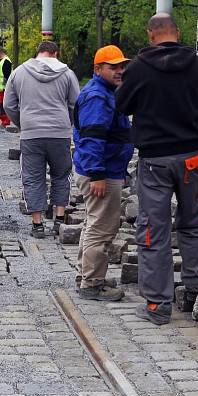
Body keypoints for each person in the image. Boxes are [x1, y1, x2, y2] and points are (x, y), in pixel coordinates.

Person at [116, 12, 198, 325]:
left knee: (153, 228)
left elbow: (122, 106)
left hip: (155, 159)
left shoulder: (138, 68)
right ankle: (196, 287)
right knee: (193, 220)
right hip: (190, 156)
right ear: (177, 32)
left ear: (150, 34)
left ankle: (158, 304)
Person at [73, 45, 133, 302]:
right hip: (101, 172)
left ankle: (87, 275)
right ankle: (92, 283)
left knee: (92, 226)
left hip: (103, 169)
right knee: (101, 229)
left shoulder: (105, 93)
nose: (120, 71)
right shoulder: (98, 97)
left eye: (122, 66)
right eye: (113, 67)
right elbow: (93, 138)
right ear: (98, 69)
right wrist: (97, 174)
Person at [3, 40, 80, 239]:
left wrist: (23, 123)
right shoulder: (67, 73)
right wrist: (66, 122)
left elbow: (8, 104)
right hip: (60, 134)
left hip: (31, 134)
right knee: (62, 175)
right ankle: (59, 220)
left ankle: (37, 224)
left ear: (38, 53)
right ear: (55, 53)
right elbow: (75, 104)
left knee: (33, 177)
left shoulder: (19, 72)